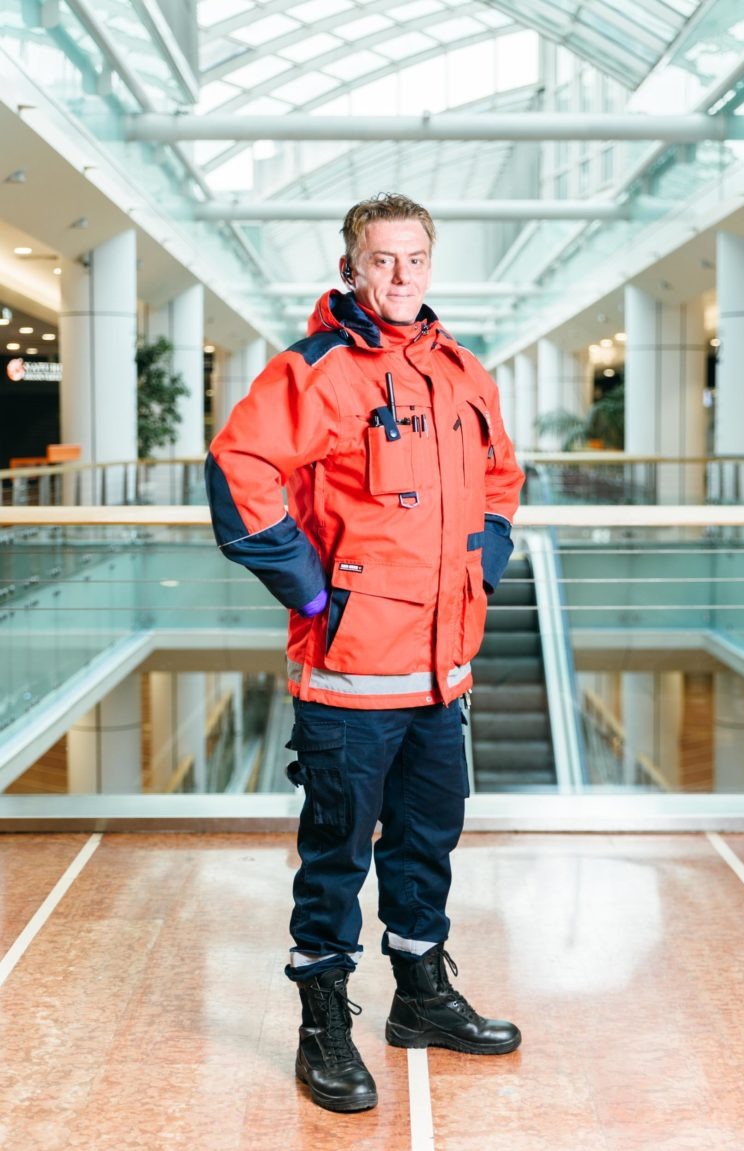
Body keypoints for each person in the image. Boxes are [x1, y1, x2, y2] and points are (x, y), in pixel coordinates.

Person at [206, 192, 525, 1113]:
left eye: (414, 258)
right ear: (351, 268)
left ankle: (420, 999)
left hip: (441, 670)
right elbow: (241, 467)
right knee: (338, 853)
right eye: (382, 260)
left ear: (431, 264)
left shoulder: (463, 371)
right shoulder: (317, 372)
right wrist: (310, 591)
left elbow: (502, 471)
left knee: (428, 840)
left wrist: (486, 552)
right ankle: (324, 1025)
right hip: (349, 674)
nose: (400, 275)